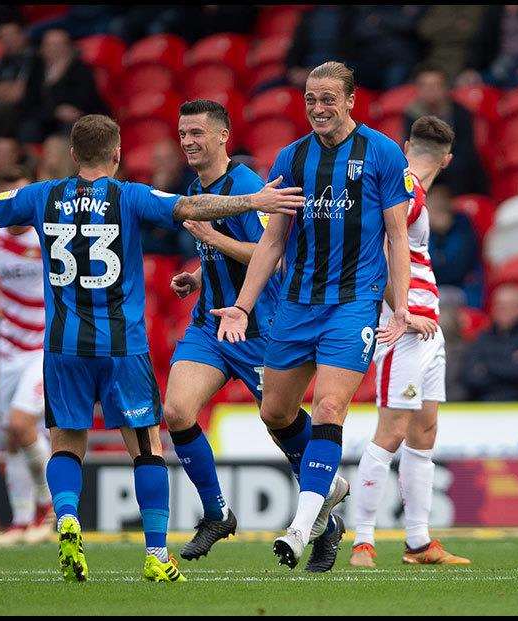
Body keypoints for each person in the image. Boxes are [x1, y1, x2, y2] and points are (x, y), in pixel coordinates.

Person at [0, 114, 303, 583]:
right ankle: (156, 554)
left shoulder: (42, 195)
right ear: (116, 155)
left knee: (65, 443)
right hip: (122, 347)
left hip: (62, 347)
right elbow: (192, 207)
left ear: (73, 155)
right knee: (147, 447)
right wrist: (254, 200)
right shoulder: (130, 196)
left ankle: (68, 519)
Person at [211, 61, 417, 571]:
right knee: (275, 413)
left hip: (353, 303)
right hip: (297, 305)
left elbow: (397, 237)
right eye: (311, 100)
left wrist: (402, 303)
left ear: (350, 100)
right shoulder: (291, 157)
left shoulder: (382, 154)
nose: (319, 109)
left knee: (329, 407)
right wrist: (242, 304)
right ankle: (331, 491)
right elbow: (273, 241)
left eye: (328, 99)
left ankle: (302, 526)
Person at [163, 99, 310, 561]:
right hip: (210, 325)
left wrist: (213, 239)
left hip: (257, 327)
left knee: (281, 424)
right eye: (183, 134)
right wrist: (200, 274)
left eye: (197, 133)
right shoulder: (196, 188)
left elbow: (274, 255)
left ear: (223, 135)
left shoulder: (249, 186)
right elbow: (224, 255)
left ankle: (320, 514)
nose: (188, 141)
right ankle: (216, 513)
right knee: (176, 411)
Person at [349, 115, 470, 568]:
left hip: (426, 328)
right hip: (405, 328)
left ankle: (418, 543)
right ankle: (363, 541)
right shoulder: (408, 192)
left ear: (405, 145)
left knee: (424, 432)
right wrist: (403, 312)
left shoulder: (407, 189)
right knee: (392, 432)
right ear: (448, 160)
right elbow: (377, 257)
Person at [0, 168, 53, 546]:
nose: (11, 208)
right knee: (12, 438)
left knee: (22, 424)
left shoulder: (47, 234)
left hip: (43, 345)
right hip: (9, 347)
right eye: (4, 202)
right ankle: (21, 522)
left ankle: (50, 506)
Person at [402, 65, 489, 196]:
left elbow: (466, 151)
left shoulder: (461, 113)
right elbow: (411, 149)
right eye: (424, 86)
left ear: (446, 88)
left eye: (435, 85)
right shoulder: (411, 114)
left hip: (456, 171)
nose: (430, 91)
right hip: (425, 169)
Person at [19, 29, 109, 143]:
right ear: (42, 48)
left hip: (78, 117)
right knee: (28, 127)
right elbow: (29, 101)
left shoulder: (81, 69)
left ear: (69, 47)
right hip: (46, 117)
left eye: (59, 44)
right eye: (49, 45)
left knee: (74, 126)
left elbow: (85, 100)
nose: (54, 49)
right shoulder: (37, 70)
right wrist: (54, 111)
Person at [459, 285, 518, 402]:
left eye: (507, 306)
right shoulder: (483, 336)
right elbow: (470, 376)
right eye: (498, 305)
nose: (501, 309)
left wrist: (486, 366)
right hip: (485, 406)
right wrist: (506, 362)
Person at [427, 184, 484, 307]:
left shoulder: (463, 227)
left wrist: (442, 234)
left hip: (462, 289)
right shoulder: (423, 229)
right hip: (432, 288)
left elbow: (454, 269)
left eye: (439, 207)